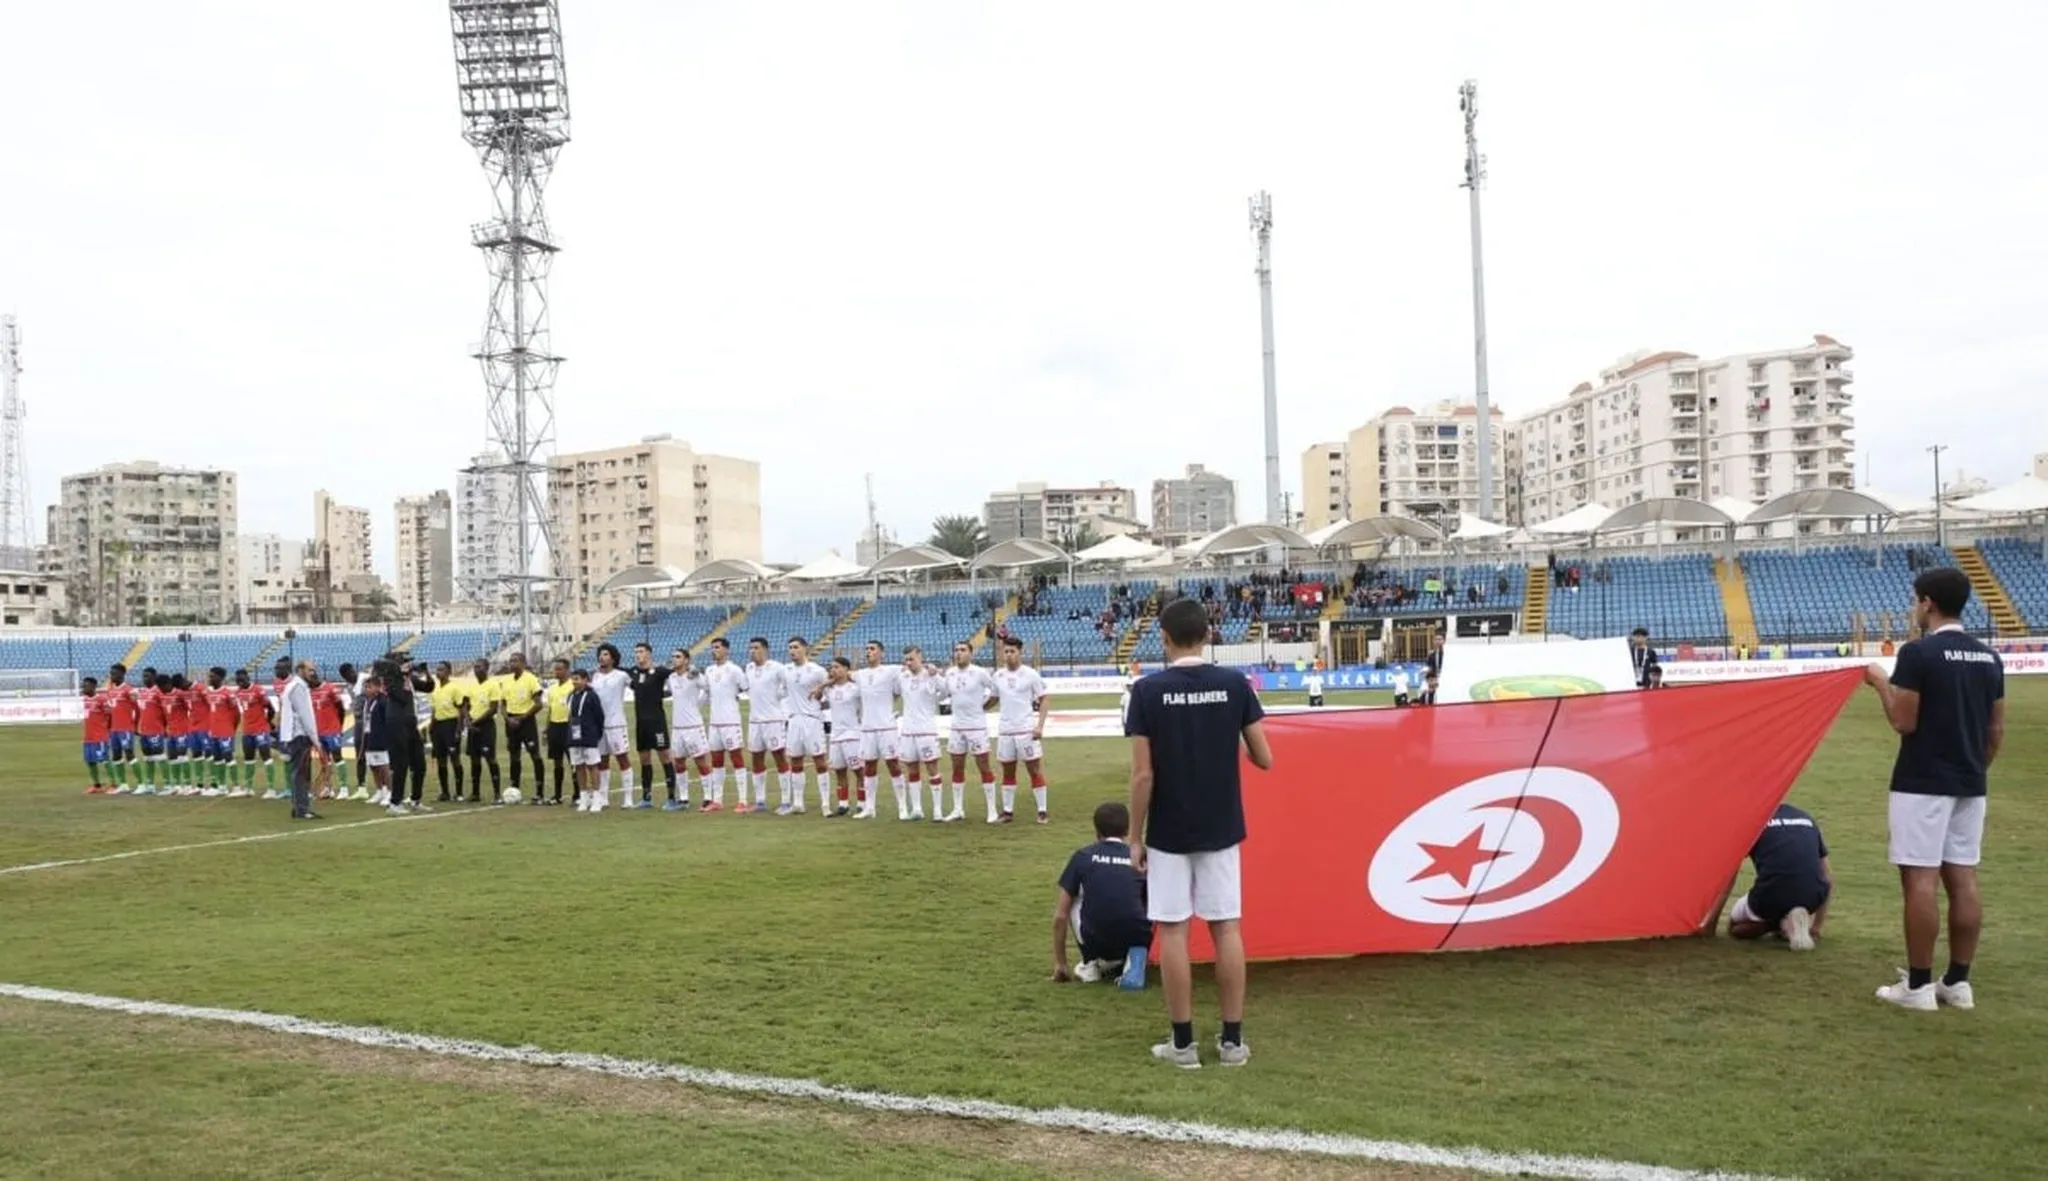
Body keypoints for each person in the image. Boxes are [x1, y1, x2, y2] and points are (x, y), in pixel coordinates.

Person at [1126, 596, 1272, 1068]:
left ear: (1164, 638)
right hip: (1221, 824)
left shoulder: (1146, 691)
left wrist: (1133, 835)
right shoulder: (1234, 684)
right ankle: (1232, 1043)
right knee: (1226, 926)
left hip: (1169, 829)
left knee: (1173, 930)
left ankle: (1183, 1044)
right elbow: (1265, 758)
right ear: (1208, 635)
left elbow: (1142, 775)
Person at [1863, 567, 2005, 1011]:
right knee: (1963, 877)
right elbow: (1995, 730)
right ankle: (1958, 982)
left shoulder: (1918, 653)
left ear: (1927, 603)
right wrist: (1972, 769)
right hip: (1970, 782)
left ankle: (1920, 986)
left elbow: (1903, 721)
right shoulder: (1989, 658)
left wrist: (1880, 682)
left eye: (1916, 601)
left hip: (1922, 781)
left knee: (1919, 879)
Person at [1052, 801, 1154, 991]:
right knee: (1145, 896)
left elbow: (1060, 916)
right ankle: (1134, 955)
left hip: (1097, 938)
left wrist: (1060, 963)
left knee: (1072, 898)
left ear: (1096, 830)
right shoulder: (1141, 856)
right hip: (1138, 934)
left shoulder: (1082, 856)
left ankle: (1090, 962)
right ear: (1126, 830)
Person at [1717, 802, 1832, 950]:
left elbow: (1729, 876)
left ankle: (1777, 924)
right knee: (1787, 894)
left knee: (1734, 928)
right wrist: (1816, 928)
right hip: (1812, 897)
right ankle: (1791, 923)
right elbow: (1827, 876)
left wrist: (1710, 924)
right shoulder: (1805, 817)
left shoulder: (1752, 820)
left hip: (1772, 896)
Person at [993, 636, 1050, 824]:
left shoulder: (1031, 674)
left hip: (1026, 730)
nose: (1008, 655)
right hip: (1005, 731)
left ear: (1020, 653)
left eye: (1012, 651)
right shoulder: (998, 676)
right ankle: (1007, 812)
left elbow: (1044, 699)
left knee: (1034, 770)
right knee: (1008, 772)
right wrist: (975, 706)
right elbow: (993, 698)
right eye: (1006, 651)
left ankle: (1042, 811)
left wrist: (1039, 726)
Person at [941, 642, 995, 823]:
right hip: (957, 727)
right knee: (957, 767)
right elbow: (943, 693)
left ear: (971, 654)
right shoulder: (950, 673)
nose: (958, 653)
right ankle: (958, 809)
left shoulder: (979, 672)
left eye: (963, 650)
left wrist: (983, 707)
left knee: (984, 766)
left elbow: (995, 691)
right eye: (956, 650)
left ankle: (992, 810)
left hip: (976, 727)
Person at [739, 637, 793, 813]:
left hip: (773, 720)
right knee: (756, 759)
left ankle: (786, 801)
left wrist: (779, 695)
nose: (752, 651)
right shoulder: (748, 668)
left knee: (779, 758)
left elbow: (789, 685)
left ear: (765, 649)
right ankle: (760, 801)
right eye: (751, 648)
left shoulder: (777, 667)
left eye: (756, 648)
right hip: (755, 721)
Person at [853, 640, 903, 820]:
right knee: (869, 767)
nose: (868, 652)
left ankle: (902, 807)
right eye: (867, 649)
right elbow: (841, 675)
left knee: (893, 764)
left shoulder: (891, 671)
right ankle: (870, 807)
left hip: (886, 726)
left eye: (872, 649)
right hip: (867, 727)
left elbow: (900, 687)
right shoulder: (860, 674)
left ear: (881, 652)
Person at [624, 643, 676, 807]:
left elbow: (678, 673)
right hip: (641, 723)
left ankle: (672, 798)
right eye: (636, 652)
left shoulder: (659, 672)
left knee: (665, 757)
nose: (638, 654)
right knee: (644, 760)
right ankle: (646, 798)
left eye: (641, 651)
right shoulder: (632, 672)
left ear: (649, 654)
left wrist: (665, 693)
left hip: (657, 722)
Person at [783, 638, 830, 814]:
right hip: (794, 720)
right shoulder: (785, 670)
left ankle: (825, 803)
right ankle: (798, 803)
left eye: (796, 647)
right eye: (790, 648)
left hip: (812, 720)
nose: (792, 651)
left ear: (805, 649)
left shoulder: (817, 670)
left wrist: (821, 695)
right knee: (795, 761)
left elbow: (829, 689)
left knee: (819, 761)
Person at [899, 647, 945, 821]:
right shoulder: (902, 677)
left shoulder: (931, 675)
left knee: (932, 768)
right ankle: (917, 808)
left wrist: (935, 697)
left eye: (911, 659)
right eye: (906, 660)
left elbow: (946, 690)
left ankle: (937, 810)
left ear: (920, 657)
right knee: (911, 768)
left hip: (926, 730)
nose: (908, 663)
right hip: (908, 731)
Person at [701, 637, 747, 809]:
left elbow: (746, 688)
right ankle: (717, 801)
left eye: (717, 647)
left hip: (731, 722)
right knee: (716, 761)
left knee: (737, 759)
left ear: (726, 650)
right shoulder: (709, 670)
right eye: (712, 648)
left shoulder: (734, 670)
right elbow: (706, 694)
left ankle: (743, 800)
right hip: (715, 723)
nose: (714, 650)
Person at [665, 649, 713, 811]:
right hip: (677, 727)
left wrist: (698, 705)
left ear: (686, 660)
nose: (674, 659)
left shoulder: (694, 675)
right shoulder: (671, 678)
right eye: (673, 656)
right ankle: (684, 798)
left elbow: (708, 688)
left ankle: (708, 797)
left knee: (700, 761)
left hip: (693, 726)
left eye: (678, 657)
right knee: (678, 762)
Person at [818, 658, 863, 816]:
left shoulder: (855, 688)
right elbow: (816, 696)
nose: (833, 670)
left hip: (852, 734)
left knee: (858, 770)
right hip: (836, 735)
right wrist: (825, 683)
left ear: (846, 669)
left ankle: (862, 803)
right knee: (839, 770)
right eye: (831, 667)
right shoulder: (829, 689)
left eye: (837, 667)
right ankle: (843, 804)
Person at [499, 652, 546, 804]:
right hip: (511, 722)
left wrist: (522, 718)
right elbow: (502, 704)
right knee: (514, 756)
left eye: (516, 661)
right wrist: (508, 719)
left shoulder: (530, 679)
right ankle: (514, 790)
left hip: (526, 722)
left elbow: (538, 704)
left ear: (523, 663)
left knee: (535, 755)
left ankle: (539, 792)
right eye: (510, 661)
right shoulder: (506, 680)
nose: (512, 663)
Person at [279, 660, 321, 820]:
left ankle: (298, 807)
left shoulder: (294, 686)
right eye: (310, 670)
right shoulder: (298, 688)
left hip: (293, 735)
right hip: (299, 735)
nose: (313, 673)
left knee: (298, 773)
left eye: (313, 670)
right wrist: (315, 739)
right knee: (301, 774)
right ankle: (302, 809)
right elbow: (305, 716)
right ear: (300, 670)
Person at [460, 658, 504, 803]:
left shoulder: (493, 685)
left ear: (487, 668)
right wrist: (467, 719)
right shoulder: (471, 685)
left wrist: (476, 721)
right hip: (473, 726)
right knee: (474, 759)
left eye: (479, 667)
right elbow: (465, 705)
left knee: (490, 758)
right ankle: (475, 793)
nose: (476, 669)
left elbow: (493, 708)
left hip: (486, 726)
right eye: (475, 667)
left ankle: (497, 794)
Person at [566, 668, 606, 812]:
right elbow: (570, 716)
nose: (574, 682)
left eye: (577, 679)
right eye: (573, 679)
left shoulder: (592, 696)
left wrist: (596, 734)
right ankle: (584, 797)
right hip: (574, 735)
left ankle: (597, 797)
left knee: (592, 765)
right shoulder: (571, 695)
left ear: (585, 680)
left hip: (589, 735)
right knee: (578, 766)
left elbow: (600, 717)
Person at [233, 669, 277, 796]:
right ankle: (249, 788)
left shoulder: (258, 690)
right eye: (237, 681)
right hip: (247, 730)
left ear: (247, 678)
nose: (240, 683)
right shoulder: (238, 692)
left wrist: (268, 723)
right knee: (248, 758)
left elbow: (271, 709)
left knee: (266, 757)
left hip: (260, 729)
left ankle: (271, 789)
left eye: (242, 680)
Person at [428, 662, 466, 802]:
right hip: (438, 726)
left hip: (451, 725)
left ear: (449, 671)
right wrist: (431, 726)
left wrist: (459, 729)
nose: (438, 672)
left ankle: (459, 792)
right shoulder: (435, 690)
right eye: (437, 670)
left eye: (442, 670)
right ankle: (445, 792)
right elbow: (434, 710)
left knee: (455, 758)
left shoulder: (454, 688)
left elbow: (462, 709)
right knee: (441, 759)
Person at [204, 667, 243, 796]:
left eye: (212, 676)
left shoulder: (228, 693)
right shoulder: (208, 693)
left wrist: (232, 728)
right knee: (217, 758)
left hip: (225, 730)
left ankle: (236, 787)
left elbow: (237, 714)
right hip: (213, 730)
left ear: (220, 678)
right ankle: (221, 787)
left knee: (228, 756)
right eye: (209, 676)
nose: (210, 678)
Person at [311, 671, 348, 799]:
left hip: (332, 729)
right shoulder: (308, 692)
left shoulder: (330, 688)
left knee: (337, 755)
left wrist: (339, 725)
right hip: (318, 730)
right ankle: (328, 787)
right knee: (324, 760)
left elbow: (341, 708)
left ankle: (344, 788)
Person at [543, 658, 575, 806]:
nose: (556, 672)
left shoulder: (572, 686)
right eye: (555, 669)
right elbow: (550, 709)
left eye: (560, 669)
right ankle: (557, 795)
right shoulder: (552, 688)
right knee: (557, 761)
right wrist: (546, 728)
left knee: (573, 761)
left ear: (567, 670)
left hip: (568, 726)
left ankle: (577, 794)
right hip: (554, 726)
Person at [106, 663, 139, 793]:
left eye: (114, 673)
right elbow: (111, 710)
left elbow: (137, 709)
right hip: (114, 729)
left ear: (122, 674)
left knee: (129, 754)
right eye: (111, 673)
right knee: (116, 756)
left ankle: (142, 783)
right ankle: (123, 784)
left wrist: (135, 726)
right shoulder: (111, 690)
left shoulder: (129, 690)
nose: (111, 676)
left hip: (125, 728)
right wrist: (108, 727)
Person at [80, 676, 111, 793]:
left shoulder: (101, 700)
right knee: (90, 761)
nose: (83, 687)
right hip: (88, 737)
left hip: (100, 737)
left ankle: (114, 784)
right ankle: (96, 785)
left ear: (93, 687)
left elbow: (110, 715)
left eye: (85, 686)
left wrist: (106, 729)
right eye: (83, 685)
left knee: (105, 760)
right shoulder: (85, 699)